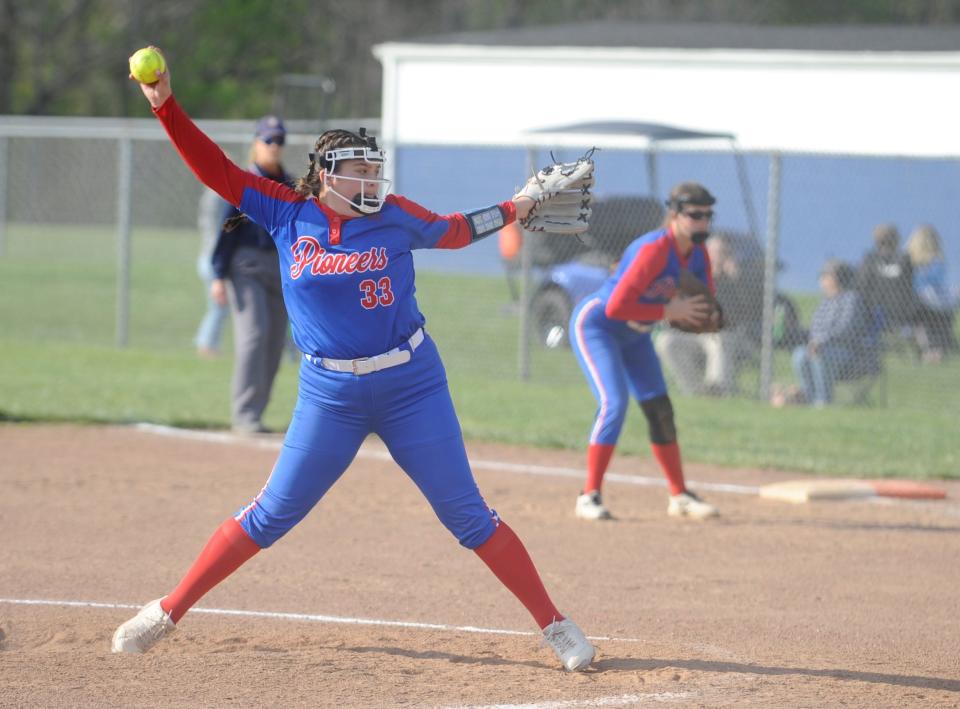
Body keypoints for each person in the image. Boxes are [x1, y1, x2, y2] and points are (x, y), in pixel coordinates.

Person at [113, 52, 595, 672]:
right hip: (329, 395)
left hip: (411, 384)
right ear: (325, 176)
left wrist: (514, 207)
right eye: (359, 171)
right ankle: (168, 610)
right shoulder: (287, 212)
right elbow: (216, 169)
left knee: (467, 516)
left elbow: (453, 229)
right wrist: (165, 106)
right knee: (269, 516)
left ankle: (555, 625)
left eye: (375, 170)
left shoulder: (395, 217)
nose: (372, 182)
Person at [569, 181, 721, 522]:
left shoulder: (698, 254)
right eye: (695, 215)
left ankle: (679, 496)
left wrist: (702, 314)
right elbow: (616, 308)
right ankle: (588, 495)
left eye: (708, 215)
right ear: (675, 215)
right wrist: (669, 312)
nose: (703, 222)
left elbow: (704, 301)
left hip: (637, 335)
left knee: (660, 409)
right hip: (598, 327)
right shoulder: (653, 248)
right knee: (614, 403)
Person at [210, 115, 292, 434]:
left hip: (281, 267)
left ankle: (256, 413)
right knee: (254, 336)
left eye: (279, 140)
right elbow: (226, 229)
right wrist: (219, 274)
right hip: (245, 266)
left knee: (273, 342)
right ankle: (244, 413)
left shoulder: (290, 186)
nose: (274, 146)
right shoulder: (242, 183)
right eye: (269, 140)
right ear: (256, 143)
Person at [655, 231, 764, 396]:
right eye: (714, 252)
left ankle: (717, 391)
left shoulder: (738, 281)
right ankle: (695, 392)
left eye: (723, 253)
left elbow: (749, 312)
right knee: (666, 341)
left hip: (729, 336)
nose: (718, 257)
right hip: (693, 334)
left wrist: (734, 279)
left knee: (718, 339)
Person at [791, 259, 876, 407]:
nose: (822, 280)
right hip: (820, 347)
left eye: (826, 276)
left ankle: (823, 401)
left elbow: (846, 328)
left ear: (838, 279)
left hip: (848, 352)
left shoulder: (851, 299)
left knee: (820, 354)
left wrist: (821, 342)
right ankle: (809, 398)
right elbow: (814, 329)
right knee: (799, 354)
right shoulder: (825, 302)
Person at [906, 224, 957, 363]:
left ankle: (928, 349)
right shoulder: (938, 263)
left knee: (921, 321)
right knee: (937, 317)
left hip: (918, 306)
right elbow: (938, 286)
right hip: (934, 305)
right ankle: (937, 348)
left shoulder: (908, 263)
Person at [855, 223, 917, 333]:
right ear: (896, 239)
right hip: (902, 309)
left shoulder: (870, 259)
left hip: (874, 309)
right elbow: (911, 284)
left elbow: (861, 285)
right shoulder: (905, 259)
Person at [193, 188, 230, 358]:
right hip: (212, 258)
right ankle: (206, 345)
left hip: (209, 256)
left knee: (218, 306)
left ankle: (206, 343)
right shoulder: (217, 195)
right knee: (219, 306)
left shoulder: (210, 195)